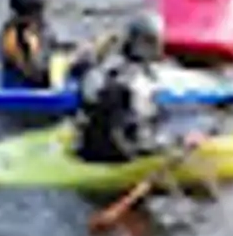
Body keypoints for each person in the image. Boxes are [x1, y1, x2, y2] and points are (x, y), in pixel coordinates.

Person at [73, 11, 175, 167]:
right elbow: (140, 129)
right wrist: (173, 143)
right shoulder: (139, 83)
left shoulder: (102, 69)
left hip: (85, 150)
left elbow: (86, 99)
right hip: (119, 156)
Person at [0, 0, 66, 91]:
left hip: (33, 71)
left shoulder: (32, 28)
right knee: (66, 59)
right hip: (23, 83)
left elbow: (51, 46)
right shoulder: (20, 37)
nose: (42, 13)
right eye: (39, 9)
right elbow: (34, 73)